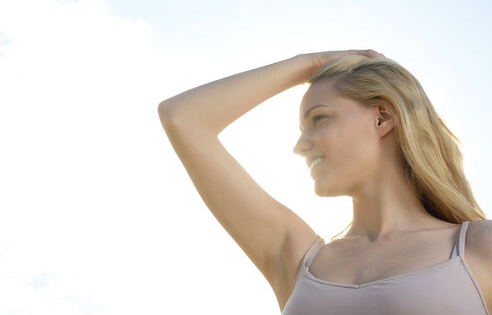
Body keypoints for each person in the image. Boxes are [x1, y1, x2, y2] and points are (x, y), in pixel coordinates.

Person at [158, 50, 491, 314]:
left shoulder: (477, 246)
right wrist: (309, 64)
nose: (301, 145)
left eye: (318, 119)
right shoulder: (298, 258)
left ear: (382, 117)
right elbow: (182, 117)